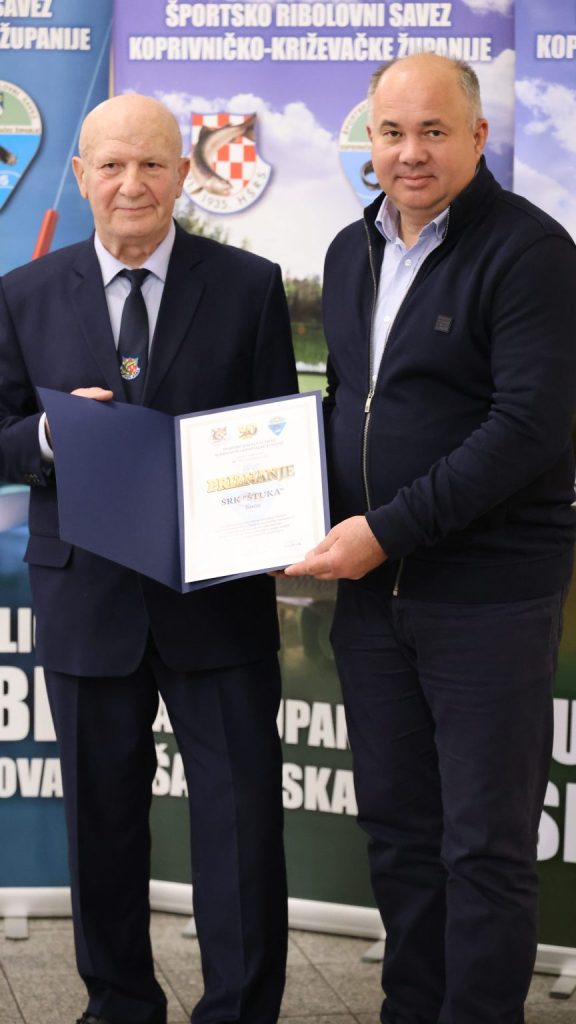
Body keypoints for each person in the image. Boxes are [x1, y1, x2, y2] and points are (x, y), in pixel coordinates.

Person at [285, 54, 576, 1024]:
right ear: (368, 140)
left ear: (478, 137)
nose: (410, 153)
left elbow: (528, 429)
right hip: (375, 602)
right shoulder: (349, 250)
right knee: (400, 833)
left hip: (487, 599)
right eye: (392, 132)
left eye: (434, 131)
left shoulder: (532, 252)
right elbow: (349, 406)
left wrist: (383, 530)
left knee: (483, 845)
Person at [0, 93, 298, 1024]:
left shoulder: (249, 286)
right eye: (112, 164)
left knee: (240, 825)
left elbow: (277, 432)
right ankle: (120, 1004)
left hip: (219, 603)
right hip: (88, 599)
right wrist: (50, 436)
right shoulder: (23, 292)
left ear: (183, 174)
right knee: (101, 824)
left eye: (153, 164)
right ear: (82, 175)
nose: (132, 183)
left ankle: (239, 1010)